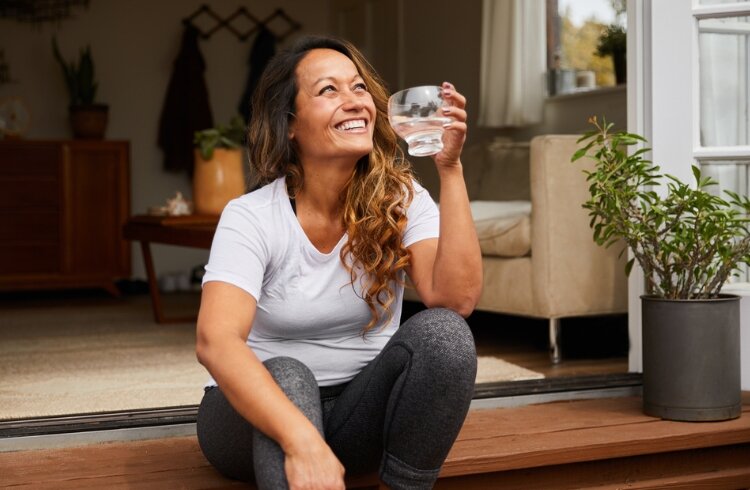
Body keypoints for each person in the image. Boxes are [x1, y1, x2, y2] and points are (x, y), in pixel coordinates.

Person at [195, 34, 482, 490]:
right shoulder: (251, 217)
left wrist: (450, 169)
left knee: (446, 335)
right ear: (289, 123)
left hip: (355, 415)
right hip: (251, 420)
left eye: (359, 88)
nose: (353, 102)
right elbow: (216, 343)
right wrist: (301, 440)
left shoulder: (402, 199)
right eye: (328, 90)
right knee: (289, 373)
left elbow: (455, 298)